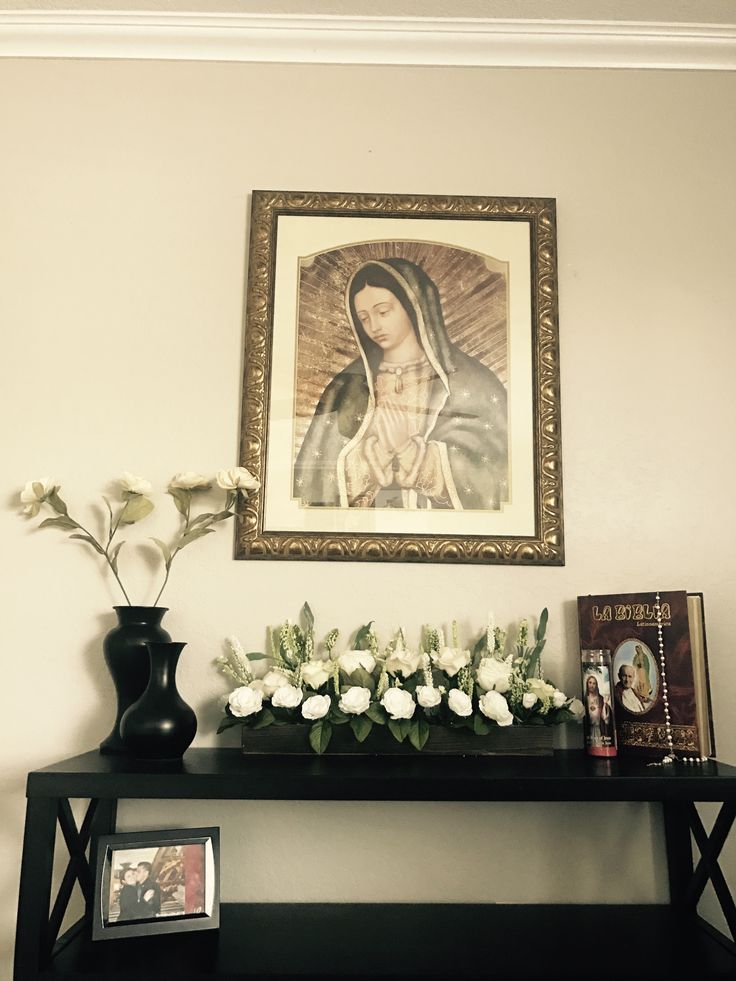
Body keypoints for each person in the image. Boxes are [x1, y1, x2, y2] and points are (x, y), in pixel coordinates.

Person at [293, 257, 508, 510]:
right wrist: (379, 452)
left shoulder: (472, 383)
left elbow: (492, 472)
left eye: (383, 312)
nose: (374, 326)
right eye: (364, 318)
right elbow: (314, 476)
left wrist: (409, 451)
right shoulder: (347, 386)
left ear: (413, 306)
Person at [584, 675, 614, 746]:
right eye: (590, 682)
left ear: (596, 685)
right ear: (587, 684)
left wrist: (605, 704)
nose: (592, 685)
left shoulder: (600, 698)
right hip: (589, 729)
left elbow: (605, 717)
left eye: (594, 683)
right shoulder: (585, 698)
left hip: (599, 730)